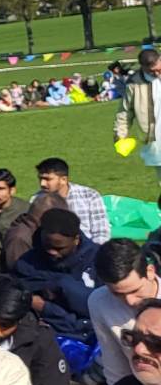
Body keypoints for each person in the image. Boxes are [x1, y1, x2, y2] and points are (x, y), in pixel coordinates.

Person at [8, 209, 99, 343]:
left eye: (59, 248)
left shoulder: (98, 260)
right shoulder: (27, 264)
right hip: (49, 338)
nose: (52, 252)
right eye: (47, 245)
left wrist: (60, 287)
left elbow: (100, 309)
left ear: (76, 240)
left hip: (95, 336)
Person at [90, 239, 161, 385]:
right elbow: (114, 363)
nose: (130, 301)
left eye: (135, 290)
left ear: (150, 272)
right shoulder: (99, 302)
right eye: (117, 294)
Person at [35, 158, 110, 245]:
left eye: (48, 179)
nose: (42, 184)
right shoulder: (37, 200)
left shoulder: (90, 196)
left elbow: (101, 231)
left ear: (63, 180)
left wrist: (94, 254)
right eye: (40, 179)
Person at [115, 46, 161, 182]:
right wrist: (120, 135)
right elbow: (124, 112)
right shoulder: (134, 83)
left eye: (159, 69)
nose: (157, 74)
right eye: (152, 72)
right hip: (155, 140)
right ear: (143, 67)